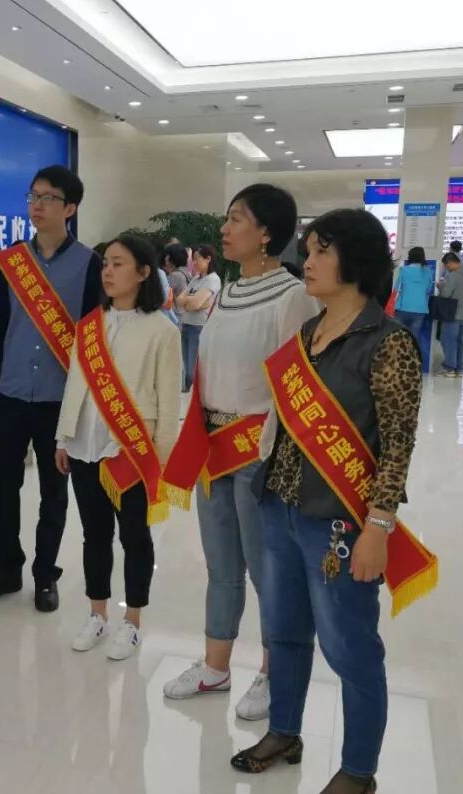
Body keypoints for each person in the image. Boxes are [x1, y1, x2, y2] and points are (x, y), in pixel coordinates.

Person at [233, 208, 425, 794]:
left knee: (351, 649)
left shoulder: (389, 344)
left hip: (339, 523)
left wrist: (378, 527)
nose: (307, 261)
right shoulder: (306, 334)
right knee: (284, 631)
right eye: (309, 249)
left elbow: (397, 446)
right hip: (280, 508)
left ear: (355, 261)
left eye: (321, 251)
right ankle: (284, 731)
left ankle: (359, 771)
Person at [162, 184, 318, 721]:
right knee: (221, 566)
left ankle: (276, 672)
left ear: (267, 232)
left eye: (236, 219)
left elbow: (294, 386)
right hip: (214, 450)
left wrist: (273, 453)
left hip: (258, 452)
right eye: (226, 219)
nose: (224, 229)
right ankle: (215, 666)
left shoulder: (291, 296)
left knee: (267, 571)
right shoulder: (226, 291)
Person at [0, 165, 103, 612]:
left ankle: (45, 574)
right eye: (33, 196)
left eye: (48, 197)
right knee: (2, 488)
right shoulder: (12, 261)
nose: (37, 205)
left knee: (54, 492)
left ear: (70, 208)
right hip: (10, 393)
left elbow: (92, 337)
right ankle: (5, 569)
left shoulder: (89, 263)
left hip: (59, 399)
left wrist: (85, 401)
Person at [54, 235, 182, 660]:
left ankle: (132, 622)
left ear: (143, 272)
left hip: (130, 451)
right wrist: (63, 437)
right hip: (84, 447)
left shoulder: (163, 330)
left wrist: (160, 459)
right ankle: (97, 614)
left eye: (118, 264)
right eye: (105, 263)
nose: (108, 272)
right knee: (94, 535)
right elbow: (75, 383)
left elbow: (169, 402)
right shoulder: (89, 325)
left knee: (134, 537)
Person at [178, 245, 221, 391]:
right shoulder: (195, 279)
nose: (194, 263)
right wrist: (193, 301)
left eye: (197, 259)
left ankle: (194, 395)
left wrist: (190, 302)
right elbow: (179, 300)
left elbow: (195, 304)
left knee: (193, 368)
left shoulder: (212, 279)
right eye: (193, 259)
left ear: (208, 259)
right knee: (185, 366)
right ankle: (188, 394)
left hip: (199, 327)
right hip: (186, 325)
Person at [438, 243, 463, 377]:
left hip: (452, 314)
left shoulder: (453, 276)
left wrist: (441, 286)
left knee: (448, 341)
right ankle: (459, 368)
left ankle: (449, 369)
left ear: (450, 263)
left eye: (446, 266)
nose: (447, 269)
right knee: (459, 341)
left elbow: (446, 294)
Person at [392, 246, 433, 341]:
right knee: (414, 338)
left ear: (410, 256)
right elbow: (428, 289)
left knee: (397, 336)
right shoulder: (428, 272)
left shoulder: (404, 270)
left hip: (403, 307)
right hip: (420, 309)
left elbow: (396, 288)